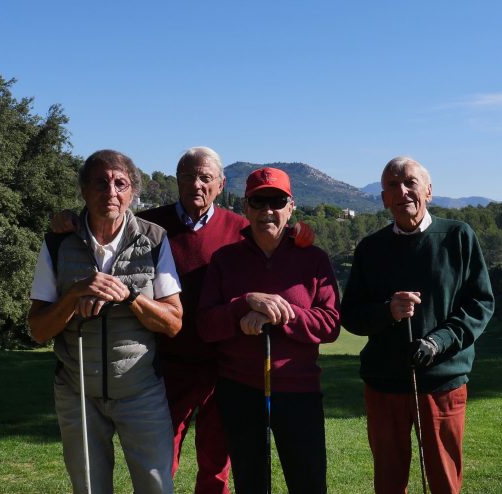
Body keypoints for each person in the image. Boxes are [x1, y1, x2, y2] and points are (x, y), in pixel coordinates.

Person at [28, 149, 183, 494]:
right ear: (84, 190)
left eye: (120, 183)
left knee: (157, 486)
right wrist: (73, 295)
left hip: (141, 391)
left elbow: (173, 323)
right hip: (77, 392)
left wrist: (129, 296)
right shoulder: (57, 242)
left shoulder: (155, 239)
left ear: (132, 192)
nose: (110, 192)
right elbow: (38, 330)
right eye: (100, 183)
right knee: (89, 488)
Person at [341, 156, 495, 494]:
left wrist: (438, 342)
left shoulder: (457, 236)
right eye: (392, 185)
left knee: (443, 479)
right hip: (384, 384)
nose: (403, 191)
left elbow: (480, 304)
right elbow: (350, 314)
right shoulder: (370, 248)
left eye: (410, 182)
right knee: (389, 479)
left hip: (442, 382)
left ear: (428, 190)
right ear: (383, 198)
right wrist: (387, 311)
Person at [197, 167, 340, 494]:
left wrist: (278, 313)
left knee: (309, 484)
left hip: (299, 391)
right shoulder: (225, 259)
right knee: (251, 484)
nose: (267, 211)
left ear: (291, 207)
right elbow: (205, 326)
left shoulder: (314, 259)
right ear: (245, 208)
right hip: (240, 391)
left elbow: (330, 324)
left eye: (277, 201)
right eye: (258, 202)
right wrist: (243, 305)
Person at [138, 147, 245, 493]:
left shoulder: (240, 228)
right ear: (177, 180)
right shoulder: (148, 226)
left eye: (205, 177)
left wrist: (300, 234)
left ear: (220, 184)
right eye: (187, 176)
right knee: (159, 458)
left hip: (222, 364)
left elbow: (278, 239)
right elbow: (102, 223)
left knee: (216, 461)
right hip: (167, 363)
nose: (195, 184)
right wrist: (68, 220)